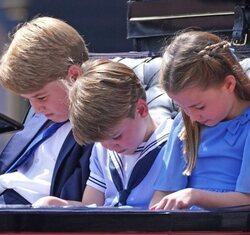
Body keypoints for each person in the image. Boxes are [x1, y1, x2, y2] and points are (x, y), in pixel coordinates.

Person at [33, 59, 173, 208]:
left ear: (141, 110)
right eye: (101, 140)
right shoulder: (102, 149)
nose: (109, 146)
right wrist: (61, 205)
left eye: (116, 136)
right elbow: (92, 206)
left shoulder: (174, 144)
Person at [150, 30, 250, 211]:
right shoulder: (184, 123)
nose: (193, 117)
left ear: (229, 84)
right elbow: (163, 193)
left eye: (199, 107)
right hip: (185, 232)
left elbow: (246, 201)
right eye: (183, 107)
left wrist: (195, 195)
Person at [0, 16, 93, 205]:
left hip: (29, 215)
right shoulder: (45, 110)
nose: (35, 108)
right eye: (27, 100)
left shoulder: (98, 126)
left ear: (73, 76)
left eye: (41, 97)